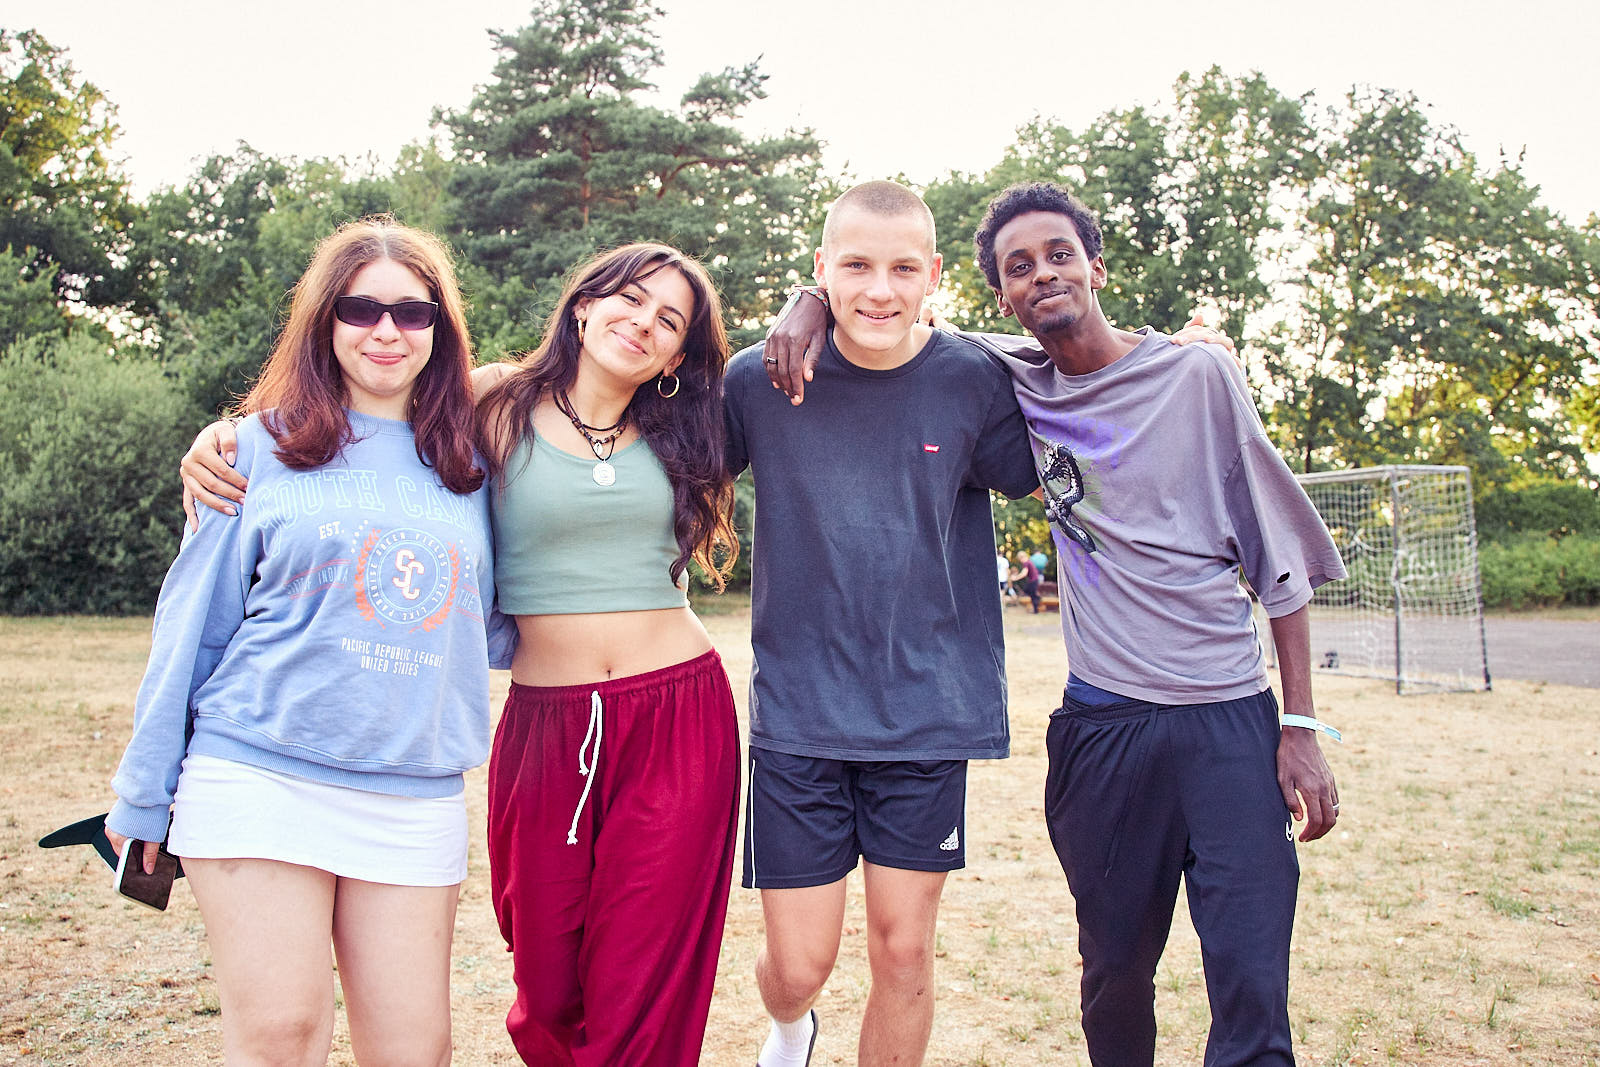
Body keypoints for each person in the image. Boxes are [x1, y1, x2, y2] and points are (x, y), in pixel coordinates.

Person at [181, 242, 743, 1067]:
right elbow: (359, 426)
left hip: (677, 715)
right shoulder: (493, 402)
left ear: (679, 355)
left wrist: (809, 296)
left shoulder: (692, 423)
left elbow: (833, 365)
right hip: (545, 723)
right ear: (583, 305)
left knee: (646, 975)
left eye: (670, 321)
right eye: (628, 299)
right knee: (548, 979)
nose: (643, 323)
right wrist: (229, 439)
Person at [107, 216, 512, 1066]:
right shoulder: (253, 449)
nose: (387, 331)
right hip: (258, 774)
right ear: (324, 320)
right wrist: (144, 792)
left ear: (441, 326)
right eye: (361, 308)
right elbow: (193, 626)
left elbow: (507, 623)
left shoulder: (476, 463)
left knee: (414, 1049)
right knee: (279, 1035)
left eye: (413, 311)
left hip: (412, 793)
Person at [967, 181, 1345, 1065]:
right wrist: (807, 300)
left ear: (1095, 267)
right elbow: (894, 328)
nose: (1043, 273)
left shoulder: (1198, 374)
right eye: (1018, 267)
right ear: (1005, 299)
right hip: (1107, 731)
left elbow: (1278, 561)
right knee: (1113, 973)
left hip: (1228, 724)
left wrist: (1298, 726)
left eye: (1059, 253)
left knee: (1251, 973)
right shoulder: (1015, 382)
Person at [724, 180, 1041, 1067]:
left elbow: (1072, 373)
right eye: (855, 265)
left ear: (934, 274)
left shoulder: (974, 379)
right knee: (799, 962)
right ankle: (792, 1029)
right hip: (800, 716)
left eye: (904, 268)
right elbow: (661, 448)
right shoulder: (762, 377)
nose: (880, 289)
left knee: (903, 950)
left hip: (926, 711)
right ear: (821, 268)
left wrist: (1183, 349)